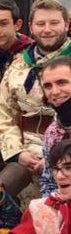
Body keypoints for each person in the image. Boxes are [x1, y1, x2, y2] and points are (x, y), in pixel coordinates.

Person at [0, 0, 68, 196]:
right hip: (26, 153)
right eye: (41, 23)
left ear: (66, 24)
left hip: (65, 155)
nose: (47, 30)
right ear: (30, 26)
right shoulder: (19, 64)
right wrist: (17, 153)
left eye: (54, 23)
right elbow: (4, 112)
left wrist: (60, 156)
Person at [38, 57, 71, 196]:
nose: (55, 92)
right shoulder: (53, 133)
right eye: (48, 86)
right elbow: (48, 182)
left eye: (62, 83)